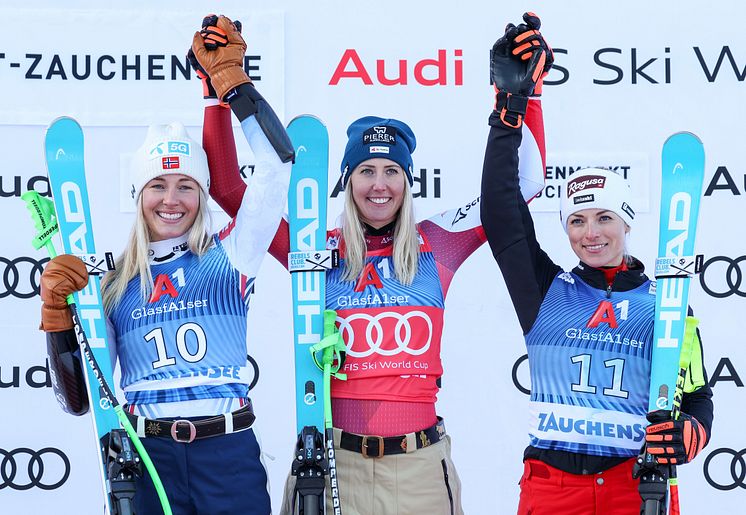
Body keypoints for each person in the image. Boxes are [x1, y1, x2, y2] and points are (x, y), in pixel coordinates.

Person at [198, 39, 545, 515]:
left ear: (407, 180)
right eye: (365, 171)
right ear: (347, 180)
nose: (379, 185)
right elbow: (230, 190)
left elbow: (521, 187)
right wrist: (216, 91)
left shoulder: (438, 241)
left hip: (420, 466)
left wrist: (527, 96)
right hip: (333, 464)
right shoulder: (314, 248)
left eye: (391, 171)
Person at [39, 16, 292, 514]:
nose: (172, 200)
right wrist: (56, 318)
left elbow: (276, 168)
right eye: (158, 185)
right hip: (147, 455)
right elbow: (78, 400)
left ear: (201, 194)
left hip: (228, 453)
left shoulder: (231, 253)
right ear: (139, 196)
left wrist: (233, 87)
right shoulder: (112, 283)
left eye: (186, 187)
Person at [480, 13, 714, 514]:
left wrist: (691, 434)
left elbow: (696, 398)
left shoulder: (665, 305)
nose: (591, 234)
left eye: (604, 218)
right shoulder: (546, 293)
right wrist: (509, 109)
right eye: (577, 222)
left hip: (635, 483)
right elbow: (501, 213)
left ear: (626, 222)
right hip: (552, 486)